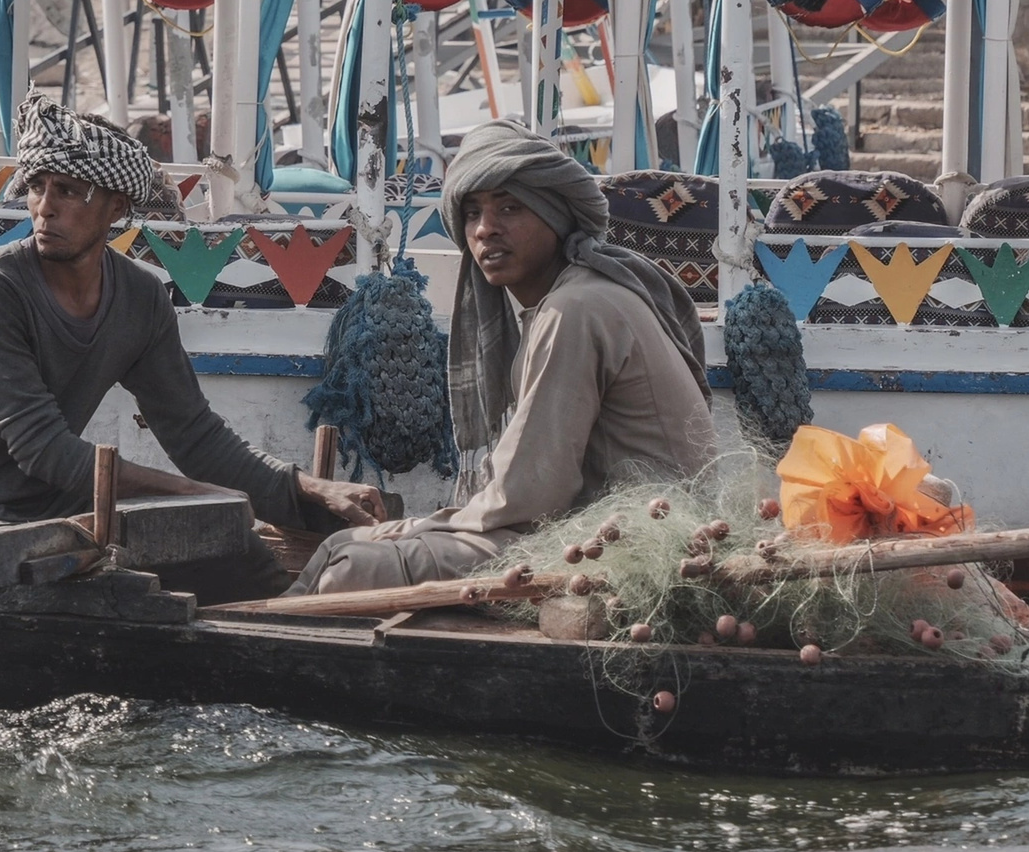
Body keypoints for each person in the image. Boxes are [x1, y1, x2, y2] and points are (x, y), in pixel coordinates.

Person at [0, 95, 385, 589]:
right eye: (38, 188)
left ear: (117, 206)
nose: (44, 209)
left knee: (240, 556)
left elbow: (196, 437)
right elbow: (44, 451)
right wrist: (196, 495)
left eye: (68, 191)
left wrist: (307, 489)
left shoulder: (141, 297)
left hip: (57, 516)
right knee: (147, 574)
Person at [290, 120, 716, 594]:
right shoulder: (569, 299)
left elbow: (531, 494)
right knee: (341, 545)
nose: (486, 230)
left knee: (350, 567)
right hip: (587, 528)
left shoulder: (575, 309)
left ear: (556, 218)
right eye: (472, 213)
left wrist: (422, 527)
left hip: (631, 548)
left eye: (509, 208)